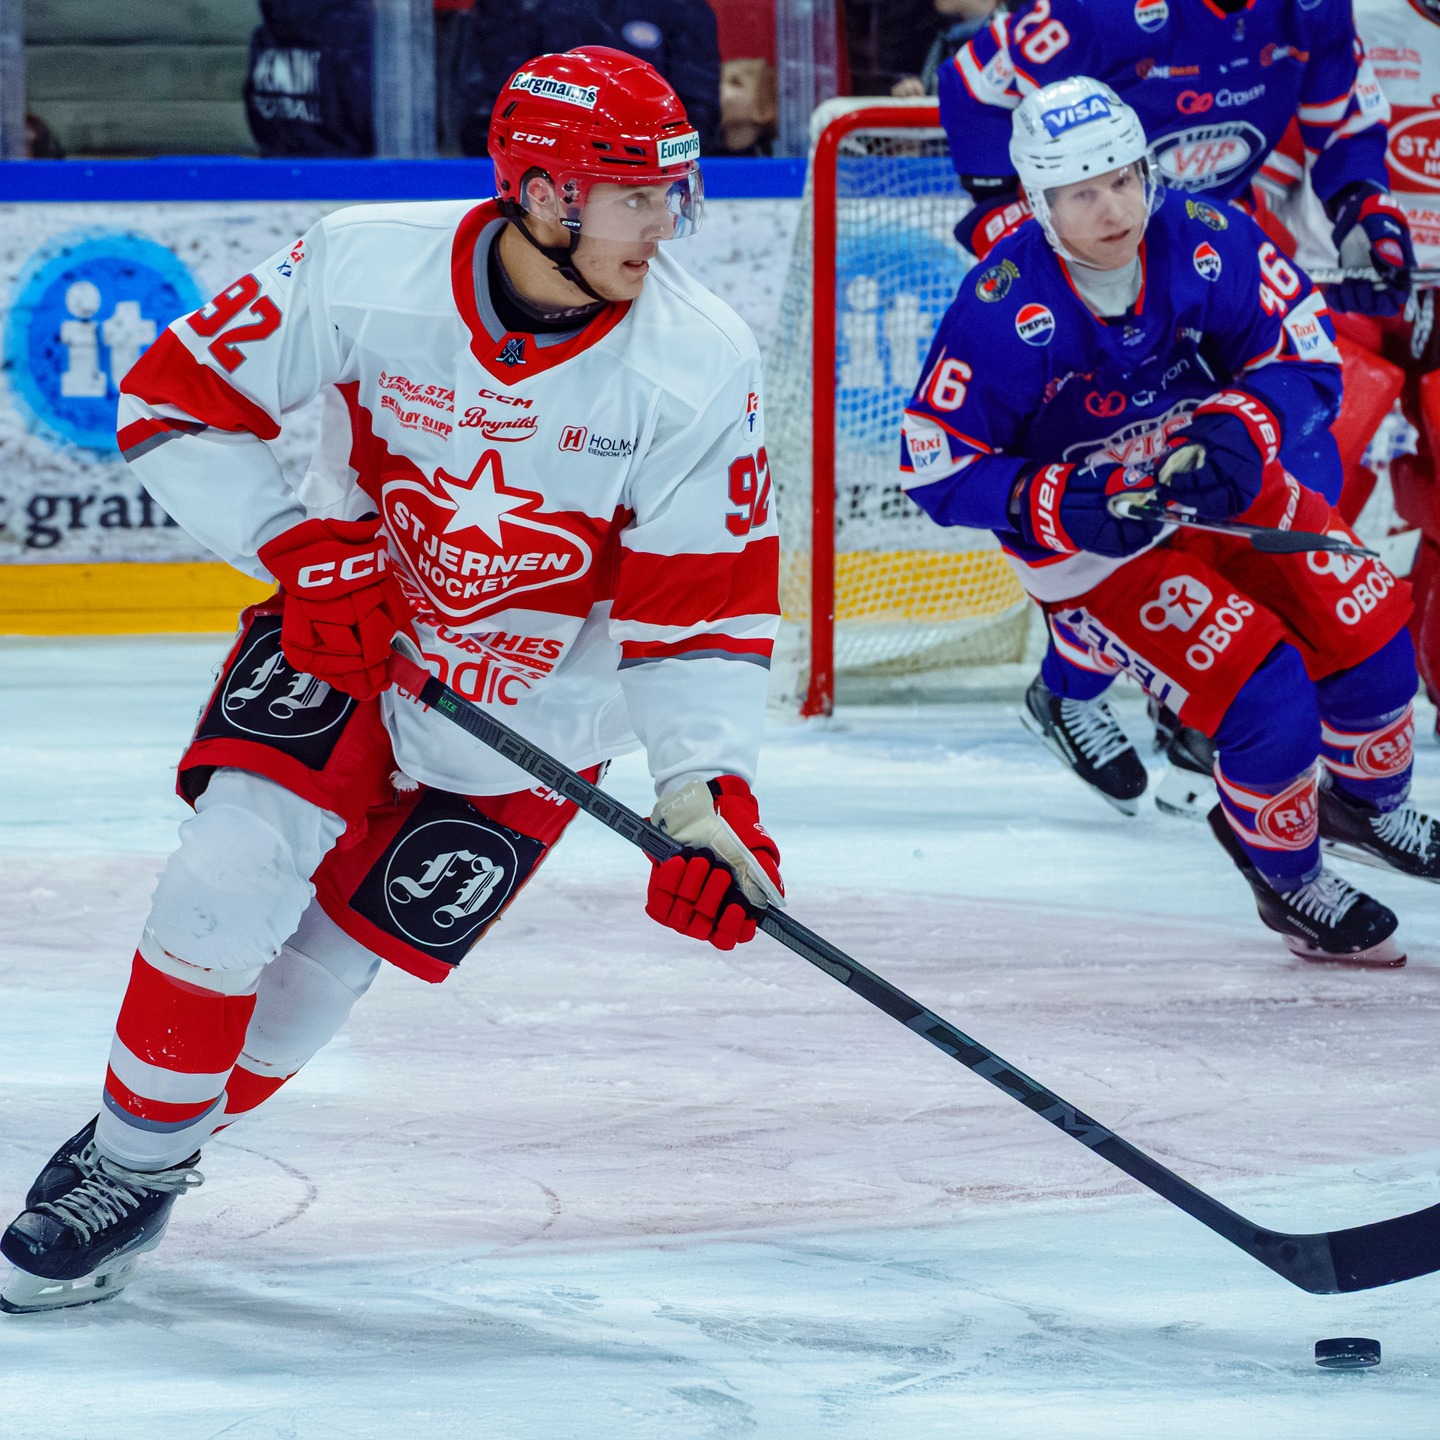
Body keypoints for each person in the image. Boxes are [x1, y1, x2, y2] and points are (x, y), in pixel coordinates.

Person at [0, 46, 782, 1315]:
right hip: (345, 636)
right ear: (544, 194)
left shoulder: (699, 361)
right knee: (226, 871)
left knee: (310, 990)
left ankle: (152, 1145)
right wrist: (305, 551)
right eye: (637, 196)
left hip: (535, 722)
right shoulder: (368, 262)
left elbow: (699, 608)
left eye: (672, 196)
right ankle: (127, 1165)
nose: (668, 225)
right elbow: (171, 399)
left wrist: (707, 801)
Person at [901, 77, 1439, 966]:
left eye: (1123, 177)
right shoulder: (1000, 309)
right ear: (1036, 201)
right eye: (1081, 191)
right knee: (1267, 699)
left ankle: (1368, 807)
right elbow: (936, 461)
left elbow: (1300, 348)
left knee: (1372, 629)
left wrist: (1241, 428)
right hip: (1095, 556)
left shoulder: (1209, 235)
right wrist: (1059, 503)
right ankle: (1289, 875)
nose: (1113, 208)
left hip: (1211, 490)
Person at [938, 0, 1416, 814]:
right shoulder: (1102, 13)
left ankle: (1215, 708)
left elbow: (1345, 120)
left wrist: (1364, 210)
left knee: (1287, 475)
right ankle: (1073, 689)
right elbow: (970, 82)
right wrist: (1004, 216)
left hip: (1204, 253)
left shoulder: (1311, 9)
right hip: (1090, 271)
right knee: (1122, 517)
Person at [1254, 0, 1440, 738]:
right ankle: (1247, 691)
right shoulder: (1345, 18)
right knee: (1307, 479)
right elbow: (1258, 174)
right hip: (1335, 283)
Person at [453, 0, 722, 156]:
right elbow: (487, 115)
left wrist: (633, 164)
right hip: (542, 170)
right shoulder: (519, 7)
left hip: (645, 175)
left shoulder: (681, 7)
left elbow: (694, 120)